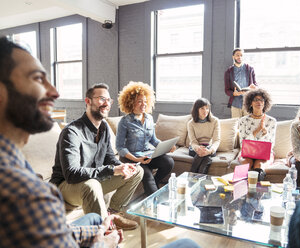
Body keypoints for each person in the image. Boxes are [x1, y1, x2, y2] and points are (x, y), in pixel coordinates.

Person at [0, 36, 120, 247]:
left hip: (60, 222)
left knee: (94, 220)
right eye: (38, 78)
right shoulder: (26, 190)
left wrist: (98, 230)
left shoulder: (15, 159)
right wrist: (104, 243)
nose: (54, 92)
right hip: (72, 185)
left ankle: (104, 221)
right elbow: (72, 174)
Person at [50, 83, 144, 230]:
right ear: (88, 101)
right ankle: (103, 233)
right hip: (66, 187)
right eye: (101, 99)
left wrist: (122, 167)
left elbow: (109, 157)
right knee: (92, 184)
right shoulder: (72, 132)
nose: (106, 103)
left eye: (109, 100)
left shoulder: (104, 127)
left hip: (92, 179)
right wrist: (112, 170)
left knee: (136, 171)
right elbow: (71, 174)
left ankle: (112, 215)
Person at [116, 81, 175, 196]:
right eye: (139, 101)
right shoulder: (125, 122)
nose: (143, 104)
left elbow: (153, 140)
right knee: (147, 175)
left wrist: (166, 146)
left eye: (145, 101)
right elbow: (120, 147)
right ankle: (153, 200)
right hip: (132, 157)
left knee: (169, 162)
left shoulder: (149, 118)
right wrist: (137, 159)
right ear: (130, 102)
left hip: (148, 155)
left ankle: (156, 182)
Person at [238, 88, 276, 180]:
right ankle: (239, 190)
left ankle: (256, 192)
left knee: (259, 164)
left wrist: (264, 132)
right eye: (255, 100)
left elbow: (271, 144)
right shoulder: (243, 120)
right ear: (250, 103)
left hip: (264, 153)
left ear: (265, 103)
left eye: (261, 100)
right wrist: (257, 130)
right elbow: (243, 143)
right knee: (246, 163)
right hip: (247, 152)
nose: (259, 102)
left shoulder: (271, 121)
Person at [187, 98, 221, 174]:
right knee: (205, 158)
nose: (205, 111)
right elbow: (193, 142)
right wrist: (198, 148)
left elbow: (216, 140)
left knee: (205, 155)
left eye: (207, 108)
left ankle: (191, 175)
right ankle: (200, 179)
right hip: (195, 148)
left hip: (209, 148)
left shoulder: (215, 121)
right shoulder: (191, 123)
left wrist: (210, 151)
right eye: (202, 108)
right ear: (196, 109)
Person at [224, 48, 258, 118]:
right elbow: (227, 90)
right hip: (235, 104)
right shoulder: (228, 72)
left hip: (248, 103)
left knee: (248, 126)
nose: (239, 57)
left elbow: (256, 85)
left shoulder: (250, 69)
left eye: (241, 55)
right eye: (237, 55)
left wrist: (254, 87)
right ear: (233, 56)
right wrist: (234, 93)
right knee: (236, 126)